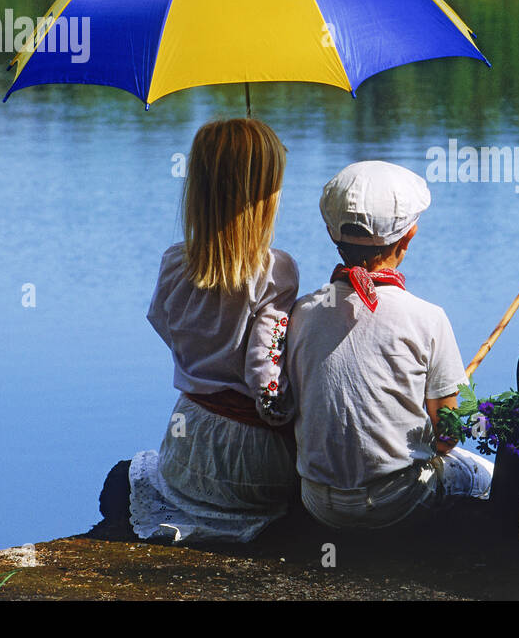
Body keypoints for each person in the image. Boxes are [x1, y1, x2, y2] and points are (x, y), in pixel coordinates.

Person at [286, 160, 493, 530]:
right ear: (409, 236)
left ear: (333, 235)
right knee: (483, 474)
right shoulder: (427, 318)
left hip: (317, 501)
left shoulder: (302, 312)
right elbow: (447, 438)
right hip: (398, 504)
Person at [126, 118, 299, 543]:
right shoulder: (276, 271)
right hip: (251, 459)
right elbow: (266, 377)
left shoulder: (174, 261)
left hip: (189, 444)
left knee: (144, 475)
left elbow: (160, 321)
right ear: (264, 198)